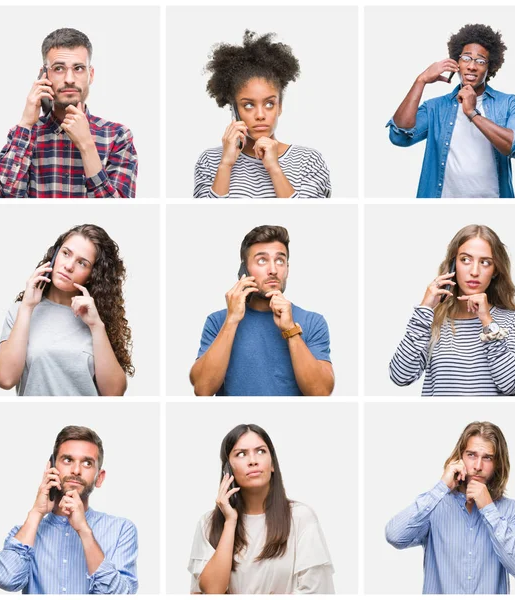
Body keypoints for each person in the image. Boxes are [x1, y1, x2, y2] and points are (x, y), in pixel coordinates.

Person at [385, 421, 515, 594]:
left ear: (498, 464)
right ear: (460, 457)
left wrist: (488, 509)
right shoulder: (435, 505)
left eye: (487, 458)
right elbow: (394, 536)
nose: (478, 466)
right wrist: (441, 487)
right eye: (471, 455)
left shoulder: (510, 510)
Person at [387, 24, 515, 198]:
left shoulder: (510, 104)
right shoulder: (436, 107)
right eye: (466, 58)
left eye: (480, 61)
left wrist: (472, 113)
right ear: (457, 62)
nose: (472, 66)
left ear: (490, 66)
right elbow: (399, 136)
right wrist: (421, 81)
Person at [0, 28, 138, 198]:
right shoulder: (24, 136)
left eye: (79, 68)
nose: (69, 79)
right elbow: (1, 198)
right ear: (44, 75)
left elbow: (117, 210)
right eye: (59, 68)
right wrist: (26, 124)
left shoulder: (118, 136)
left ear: (90, 74)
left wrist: (86, 145)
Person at [0, 426, 138, 594]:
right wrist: (37, 513)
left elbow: (119, 595)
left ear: (100, 477)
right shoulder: (25, 534)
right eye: (67, 460)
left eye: (87, 463)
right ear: (51, 469)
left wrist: (84, 531)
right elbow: (6, 580)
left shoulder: (121, 530)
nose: (76, 470)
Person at [188, 423, 334, 593]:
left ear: (272, 464)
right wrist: (230, 521)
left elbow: (317, 590)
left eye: (261, 451)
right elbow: (212, 591)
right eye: (241, 454)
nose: (253, 461)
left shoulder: (300, 517)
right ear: (228, 469)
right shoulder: (208, 524)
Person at [190, 225, 334, 396]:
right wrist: (232, 320)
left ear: (287, 268)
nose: (273, 270)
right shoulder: (218, 321)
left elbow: (321, 393)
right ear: (244, 270)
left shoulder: (313, 322)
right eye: (262, 260)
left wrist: (291, 331)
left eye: (280, 260)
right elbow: (202, 389)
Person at [389, 224, 515, 396]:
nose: (474, 271)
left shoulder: (514, 320)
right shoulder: (434, 321)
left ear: (495, 271)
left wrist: (487, 322)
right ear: (453, 265)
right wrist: (424, 309)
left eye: (485, 262)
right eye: (465, 260)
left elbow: (509, 384)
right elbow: (400, 376)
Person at [0, 224, 133, 396]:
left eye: (82, 263)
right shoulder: (20, 311)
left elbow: (114, 393)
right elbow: (5, 379)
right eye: (66, 253)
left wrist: (96, 326)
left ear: (93, 275)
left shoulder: (97, 319)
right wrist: (27, 307)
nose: (68, 266)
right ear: (55, 255)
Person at [194, 30, 331, 198]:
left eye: (269, 104)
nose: (260, 115)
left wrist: (274, 168)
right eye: (249, 105)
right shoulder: (210, 160)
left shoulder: (308, 160)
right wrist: (225, 164)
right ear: (234, 109)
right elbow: (209, 217)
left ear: (279, 107)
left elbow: (309, 215)